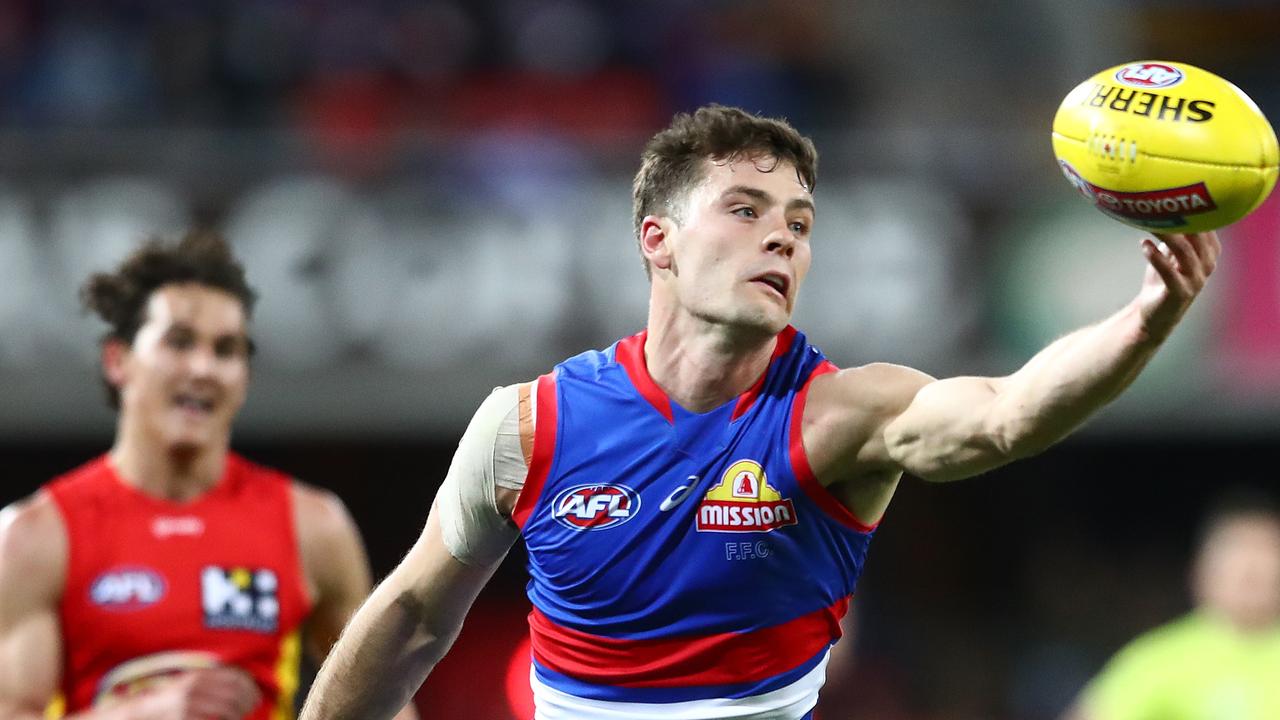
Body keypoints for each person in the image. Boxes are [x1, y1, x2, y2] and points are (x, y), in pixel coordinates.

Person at [300, 104, 1222, 720]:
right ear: (657, 240)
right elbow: (415, 618)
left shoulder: (842, 417)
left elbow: (1008, 415)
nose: (782, 232)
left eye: (800, 219)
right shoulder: (527, 425)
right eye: (744, 209)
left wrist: (1144, 321)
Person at [0, 232, 417, 720]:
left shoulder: (312, 527)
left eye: (226, 350)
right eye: (179, 342)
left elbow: (384, 707)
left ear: (245, 377)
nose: (204, 368)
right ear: (118, 360)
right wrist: (146, 714)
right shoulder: (35, 537)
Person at [1063, 490, 1280, 720]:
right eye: (1241, 568)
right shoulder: (1157, 659)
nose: (1254, 575)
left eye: (1266, 562)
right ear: (1200, 573)